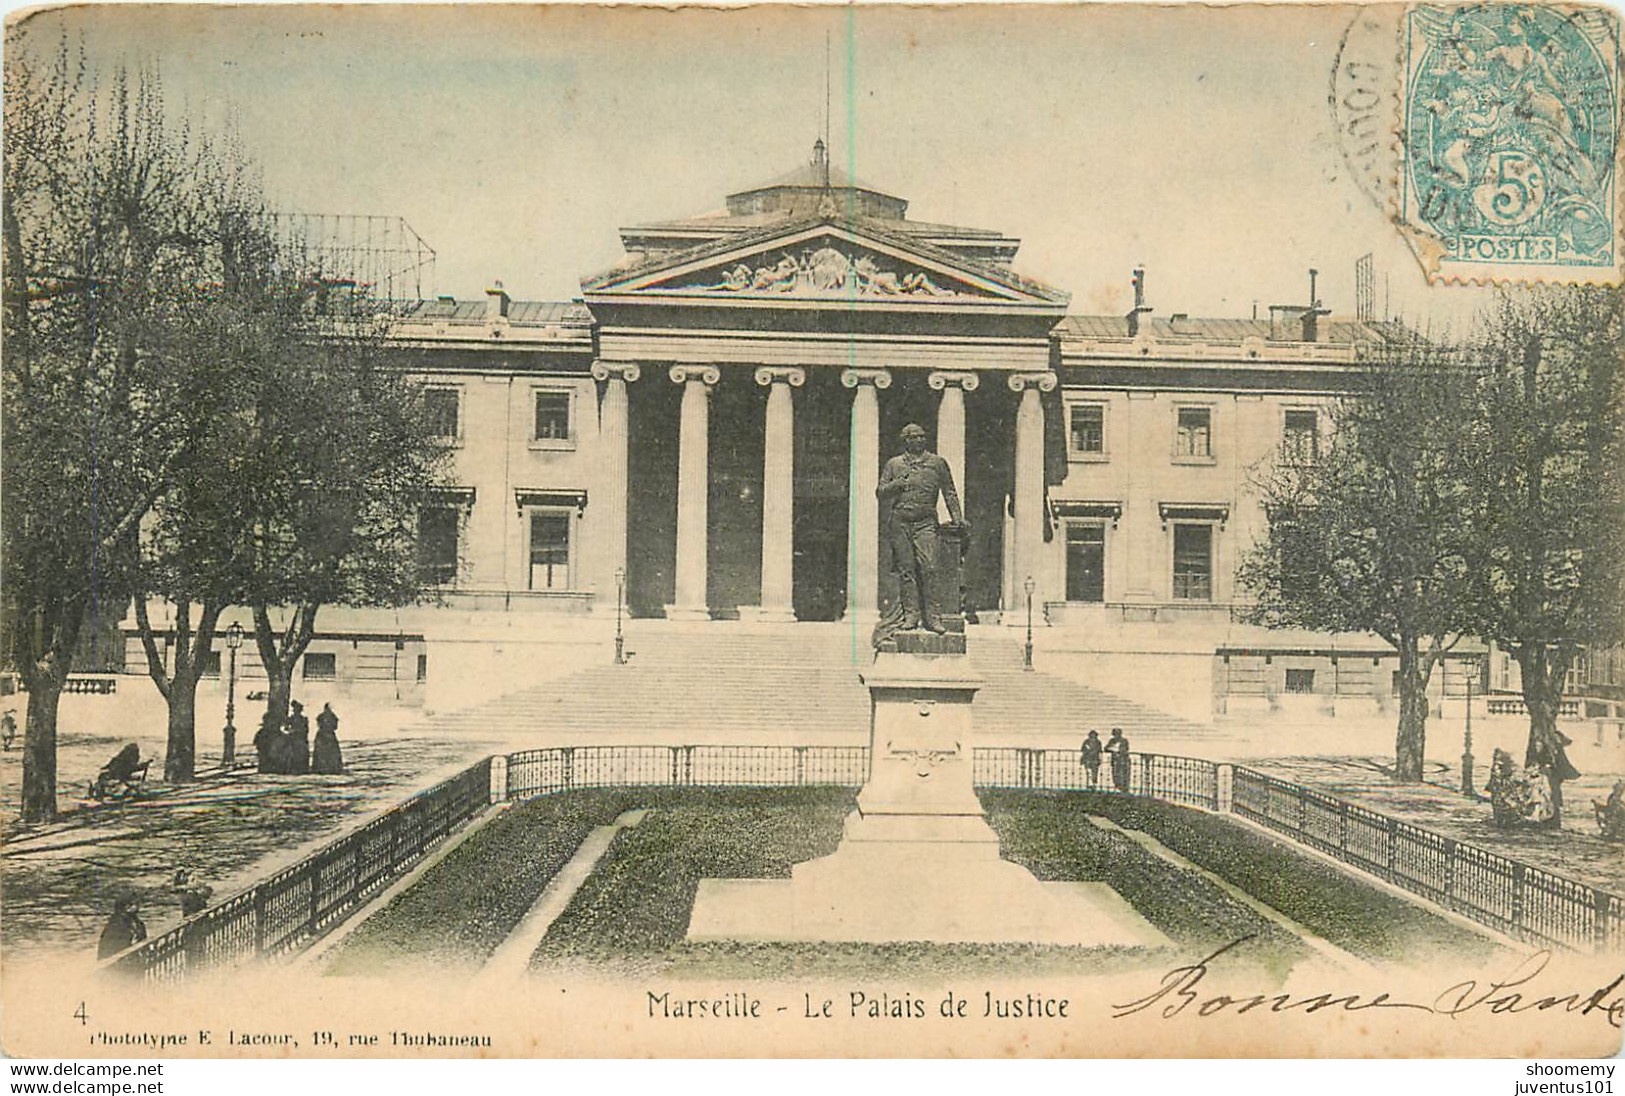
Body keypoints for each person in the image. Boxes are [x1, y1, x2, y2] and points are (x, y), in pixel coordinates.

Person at [875, 423, 965, 636]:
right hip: (901, 521)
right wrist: (896, 484)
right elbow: (880, 492)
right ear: (905, 441)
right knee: (907, 570)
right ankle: (911, 615)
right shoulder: (894, 464)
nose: (918, 440)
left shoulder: (937, 463)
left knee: (930, 568)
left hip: (925, 522)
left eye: (921, 436)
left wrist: (957, 517)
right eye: (913, 437)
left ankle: (933, 616)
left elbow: (949, 492)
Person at [97, 895, 147, 960]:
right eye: (134, 904)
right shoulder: (116, 924)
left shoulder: (136, 921)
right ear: (126, 907)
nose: (138, 906)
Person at [312, 703, 344, 775]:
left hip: (324, 735)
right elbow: (335, 727)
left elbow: (334, 726)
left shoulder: (325, 716)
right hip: (326, 735)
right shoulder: (331, 716)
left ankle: (325, 768)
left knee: (327, 752)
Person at [284, 701, 311, 775]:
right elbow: (286, 727)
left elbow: (306, 730)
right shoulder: (293, 718)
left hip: (298, 739)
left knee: (298, 754)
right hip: (297, 739)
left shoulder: (302, 719)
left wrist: (292, 731)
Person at [1105, 727, 1131, 793]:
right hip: (1115, 760)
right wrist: (1112, 749)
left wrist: (1120, 751)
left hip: (1123, 760)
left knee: (1124, 775)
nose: (1116, 735)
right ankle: (1118, 787)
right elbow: (1106, 748)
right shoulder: (1112, 740)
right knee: (1115, 775)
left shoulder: (1124, 740)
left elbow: (1126, 748)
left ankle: (1124, 788)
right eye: (1115, 734)